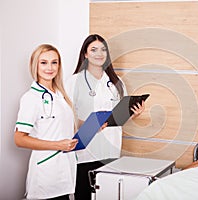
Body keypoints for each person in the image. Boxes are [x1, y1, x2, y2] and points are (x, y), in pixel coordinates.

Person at [65, 34, 145, 200]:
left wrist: (134, 114)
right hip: (85, 150)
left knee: (107, 195)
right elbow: (66, 115)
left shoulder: (116, 82)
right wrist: (89, 124)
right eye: (93, 50)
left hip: (111, 150)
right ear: (85, 54)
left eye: (103, 50)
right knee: (85, 195)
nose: (99, 54)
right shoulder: (74, 81)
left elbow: (120, 116)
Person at [14, 44, 78, 200]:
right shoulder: (31, 98)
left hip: (65, 171)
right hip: (46, 175)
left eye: (54, 62)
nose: (50, 67)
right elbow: (19, 139)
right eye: (44, 62)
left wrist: (95, 125)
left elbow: (65, 124)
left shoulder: (60, 95)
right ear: (35, 65)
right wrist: (58, 145)